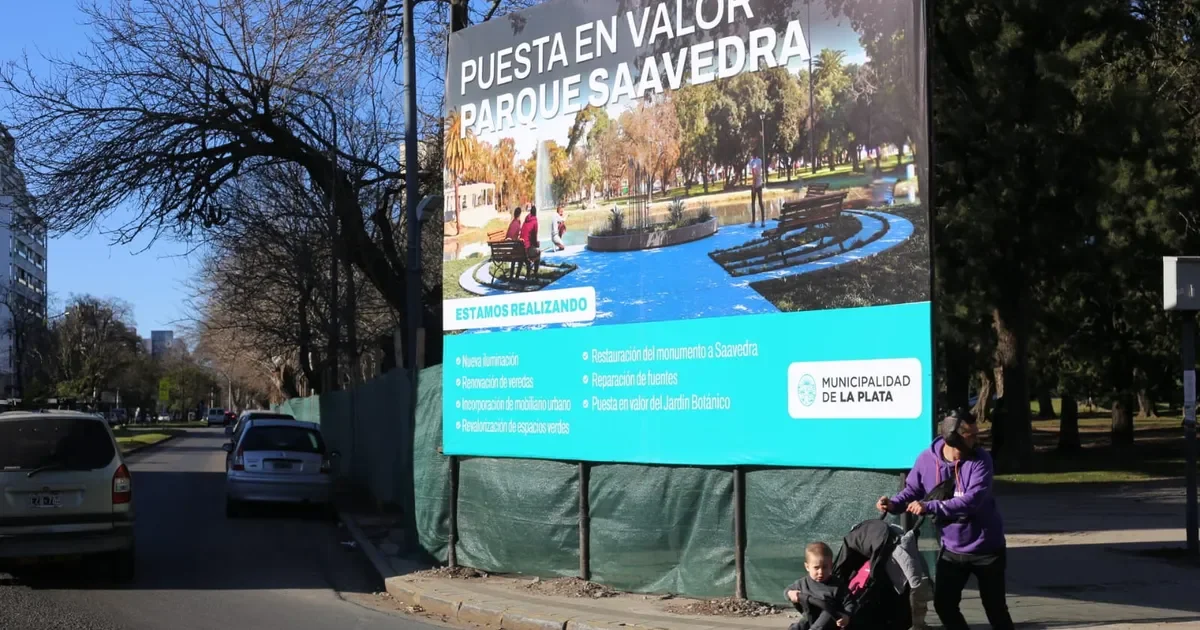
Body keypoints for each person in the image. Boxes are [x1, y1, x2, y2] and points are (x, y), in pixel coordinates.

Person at [876, 409, 1013, 630]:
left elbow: (972, 501)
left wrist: (929, 506)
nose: (977, 440)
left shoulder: (981, 460)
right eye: (972, 435)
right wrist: (893, 503)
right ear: (953, 436)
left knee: (995, 608)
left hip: (987, 548)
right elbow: (912, 490)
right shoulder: (927, 459)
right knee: (944, 605)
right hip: (951, 549)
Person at [784, 542, 851, 630]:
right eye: (816, 568)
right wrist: (790, 593)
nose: (821, 572)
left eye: (825, 567)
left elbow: (849, 602)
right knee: (798, 626)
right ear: (807, 567)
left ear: (831, 566)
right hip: (810, 618)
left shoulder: (836, 585)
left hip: (830, 621)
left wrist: (847, 616)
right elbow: (787, 591)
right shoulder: (803, 583)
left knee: (827, 612)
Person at [520, 205, 541, 277]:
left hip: (521, 248)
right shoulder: (535, 221)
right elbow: (534, 236)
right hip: (527, 249)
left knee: (531, 252)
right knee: (538, 253)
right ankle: (535, 273)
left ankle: (528, 273)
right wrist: (536, 244)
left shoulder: (525, 220)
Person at [748, 151, 766, 227]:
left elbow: (754, 172)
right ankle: (763, 221)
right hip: (760, 183)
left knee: (753, 203)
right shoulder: (760, 160)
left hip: (755, 184)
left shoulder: (752, 162)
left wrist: (753, 186)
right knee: (760, 202)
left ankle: (753, 222)